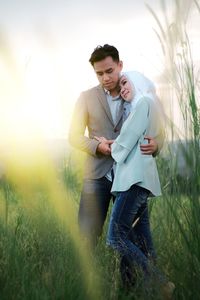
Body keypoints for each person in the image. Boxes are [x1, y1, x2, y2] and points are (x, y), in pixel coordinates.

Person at [68, 44, 164, 248]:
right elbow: (74, 136)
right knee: (87, 234)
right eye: (99, 73)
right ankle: (88, 278)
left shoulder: (134, 92)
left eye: (110, 71)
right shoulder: (86, 97)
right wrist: (97, 146)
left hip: (131, 175)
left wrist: (156, 144)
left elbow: (157, 127)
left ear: (120, 65)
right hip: (97, 174)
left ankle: (131, 280)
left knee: (133, 234)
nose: (105, 78)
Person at [106, 71, 172, 293]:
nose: (123, 88)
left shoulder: (142, 103)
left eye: (125, 82)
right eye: (121, 85)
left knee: (115, 236)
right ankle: (156, 291)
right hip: (143, 181)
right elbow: (134, 137)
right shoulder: (150, 105)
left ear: (137, 81)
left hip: (133, 181)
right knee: (144, 239)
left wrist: (109, 146)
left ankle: (159, 283)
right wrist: (115, 142)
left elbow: (126, 140)